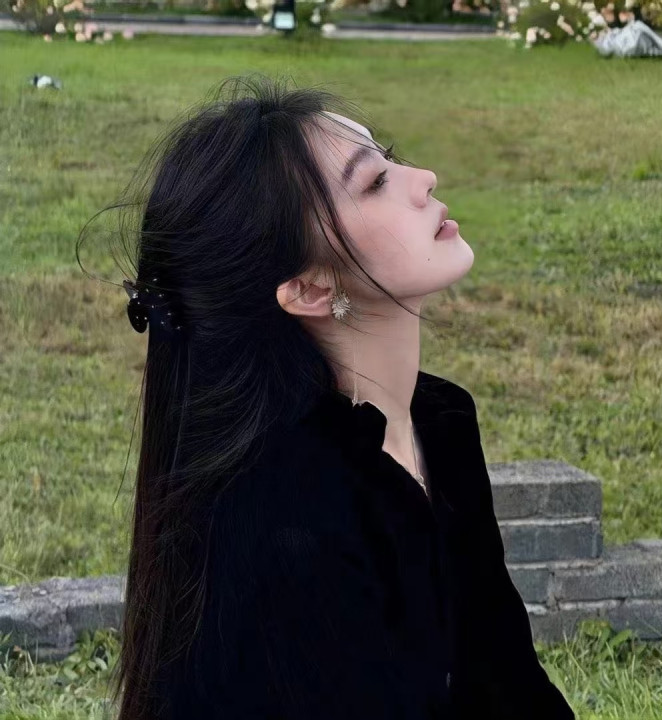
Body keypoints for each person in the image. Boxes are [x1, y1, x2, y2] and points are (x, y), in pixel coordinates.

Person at [80, 74, 575, 719]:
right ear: (310, 288)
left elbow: (505, 675)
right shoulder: (289, 514)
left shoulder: (439, 422)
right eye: (374, 182)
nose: (424, 179)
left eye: (390, 159)